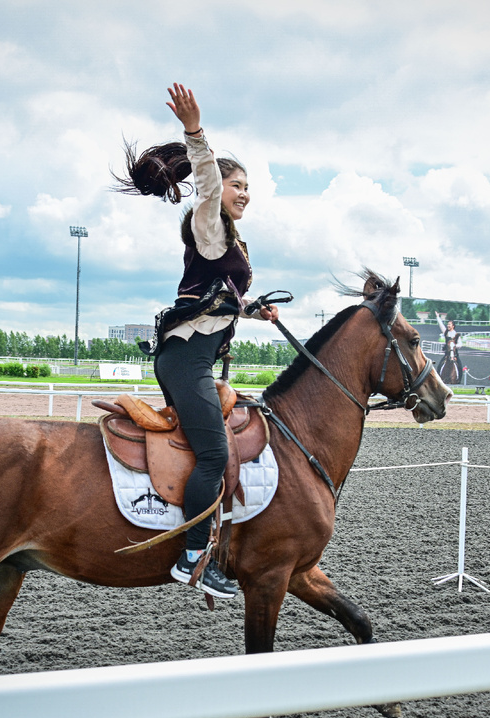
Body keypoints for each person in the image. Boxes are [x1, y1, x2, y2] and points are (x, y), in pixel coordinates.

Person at [115, 83, 278, 599]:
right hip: (186, 360)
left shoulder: (228, 238)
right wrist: (195, 133)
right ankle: (191, 559)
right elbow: (206, 185)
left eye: (248, 186)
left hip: (194, 356)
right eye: (237, 185)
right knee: (212, 456)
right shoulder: (209, 220)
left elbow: (214, 298)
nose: (243, 193)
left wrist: (253, 309)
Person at [435, 312, 462, 385]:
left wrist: (455, 346)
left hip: (455, 354)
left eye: (449, 324)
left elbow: (460, 344)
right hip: (447, 354)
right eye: (447, 324)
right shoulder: (446, 332)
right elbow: (441, 326)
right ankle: (438, 379)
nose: (448, 325)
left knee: (460, 366)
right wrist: (438, 317)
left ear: (453, 326)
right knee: (440, 365)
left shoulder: (456, 335)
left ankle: (459, 380)